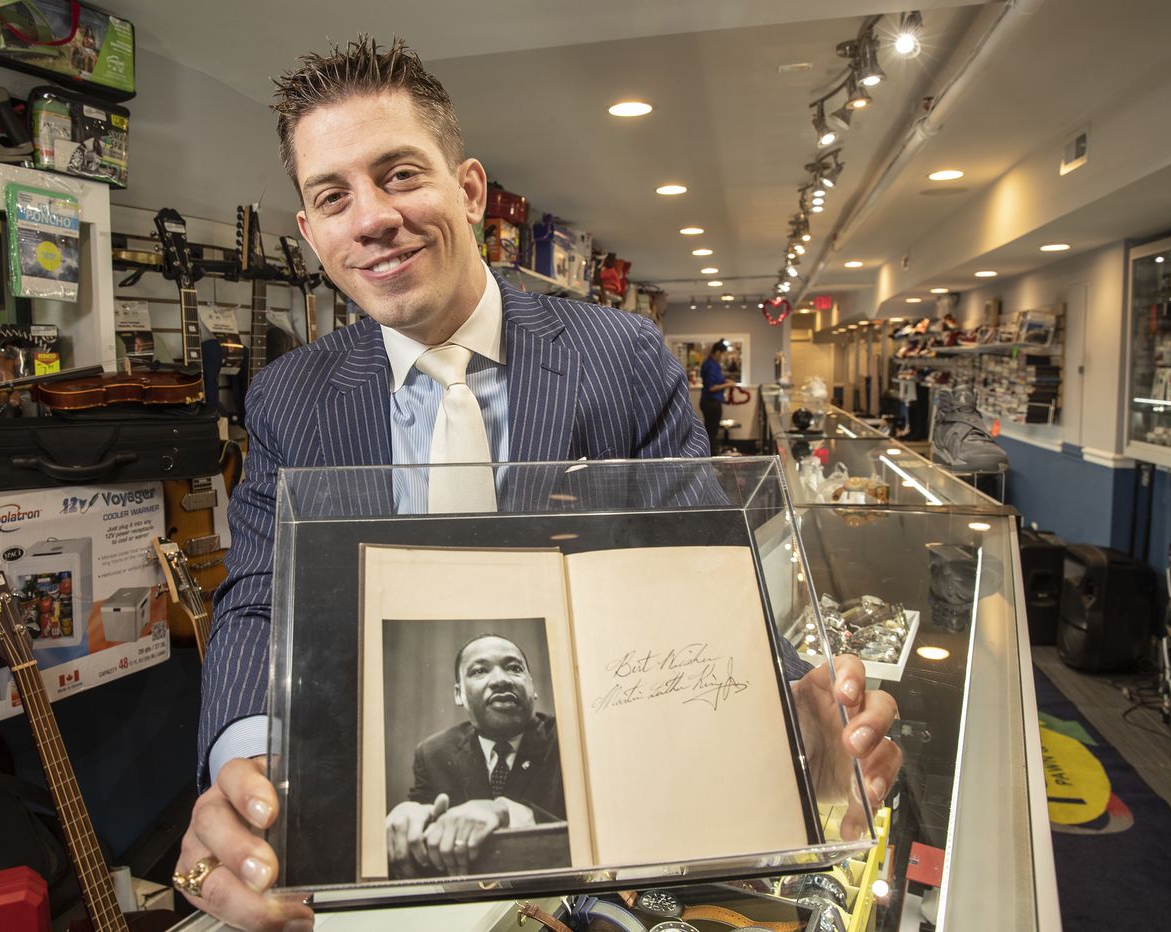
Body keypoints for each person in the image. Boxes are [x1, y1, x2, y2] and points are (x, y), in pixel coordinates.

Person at [177, 36, 901, 932]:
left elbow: (698, 571)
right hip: (384, 834)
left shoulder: (621, 357)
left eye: (400, 175)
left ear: (470, 189)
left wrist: (786, 715)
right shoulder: (290, 396)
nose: (370, 218)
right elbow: (257, 602)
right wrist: (248, 768)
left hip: (609, 797)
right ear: (312, 232)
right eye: (334, 196)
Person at [386, 634, 565, 877]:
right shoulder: (433, 753)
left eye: (514, 668)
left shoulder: (569, 740)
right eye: (480, 671)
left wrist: (503, 812)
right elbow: (425, 814)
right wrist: (411, 816)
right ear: (459, 694)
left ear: (532, 687)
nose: (501, 680)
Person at [699, 339, 733, 453]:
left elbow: (717, 380)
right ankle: (711, 459)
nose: (724, 357)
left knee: (712, 431)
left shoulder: (714, 364)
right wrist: (727, 384)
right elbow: (711, 387)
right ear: (718, 352)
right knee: (711, 433)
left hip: (712, 402)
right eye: (723, 354)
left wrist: (725, 380)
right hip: (711, 403)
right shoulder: (710, 365)